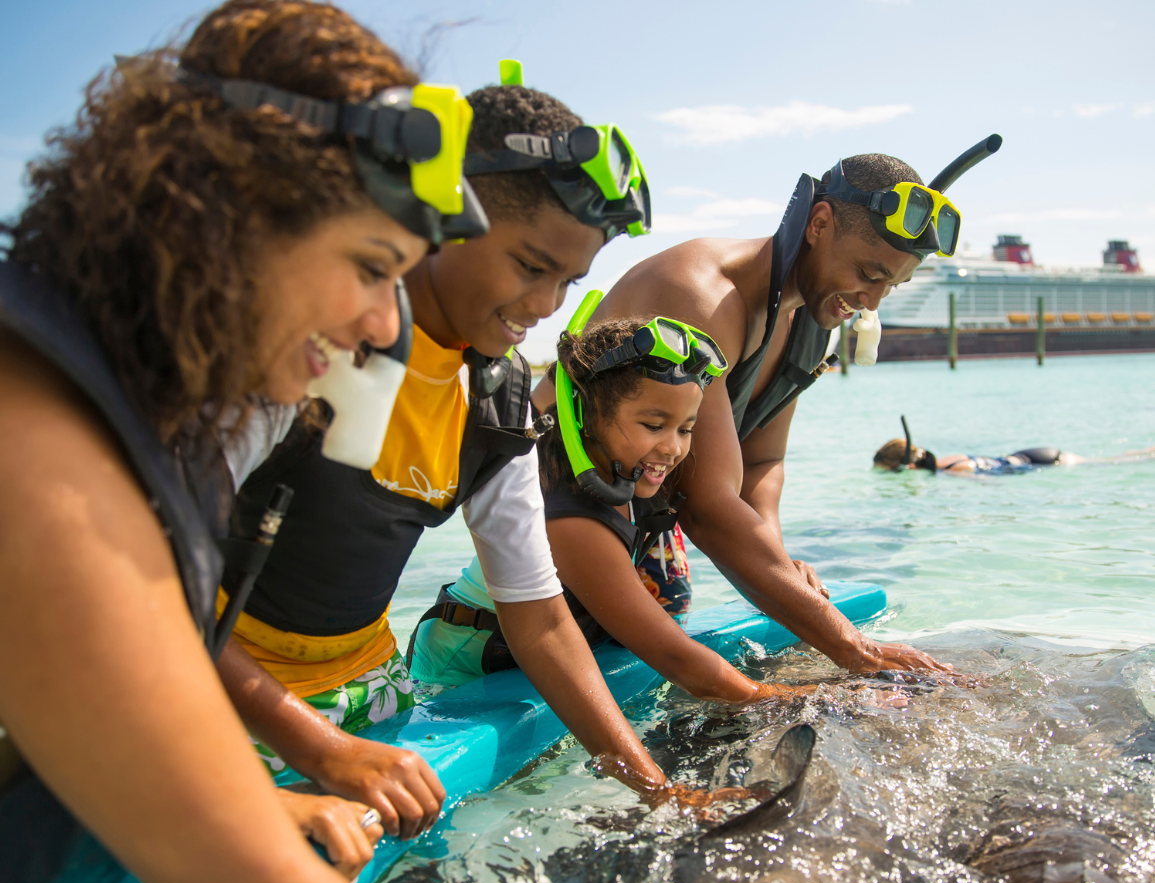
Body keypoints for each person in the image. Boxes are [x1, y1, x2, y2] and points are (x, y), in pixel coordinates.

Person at [0, 0, 481, 883]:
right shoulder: (33, 445)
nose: (385, 327)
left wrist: (254, 802)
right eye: (371, 266)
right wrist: (249, 842)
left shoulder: (146, 400)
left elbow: (126, 687)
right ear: (224, 210)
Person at [213, 64, 722, 824]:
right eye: (528, 265)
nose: (544, 307)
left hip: (371, 689)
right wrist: (317, 750)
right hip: (217, 688)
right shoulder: (301, 343)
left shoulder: (496, 402)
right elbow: (147, 595)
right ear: (435, 209)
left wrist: (660, 791)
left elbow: (541, 620)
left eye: (568, 280)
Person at [531, 144, 1001, 677]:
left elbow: (760, 461)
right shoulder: (702, 296)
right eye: (869, 273)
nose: (873, 302)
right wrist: (851, 647)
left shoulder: (809, 323)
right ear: (819, 222)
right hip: (564, 527)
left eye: (893, 285)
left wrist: (778, 563)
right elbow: (704, 502)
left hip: (648, 540)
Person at [409, 298, 822, 703]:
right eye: (653, 424)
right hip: (461, 665)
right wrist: (798, 698)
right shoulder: (570, 520)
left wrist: (785, 571)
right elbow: (675, 658)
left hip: (518, 658)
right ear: (588, 414)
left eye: (685, 428)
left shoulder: (634, 473)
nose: (673, 448)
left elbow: (730, 532)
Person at [873, 416, 1085, 474]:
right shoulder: (945, 464)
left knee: (1112, 461)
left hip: (1041, 461)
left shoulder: (955, 469)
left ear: (908, 467)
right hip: (1028, 457)